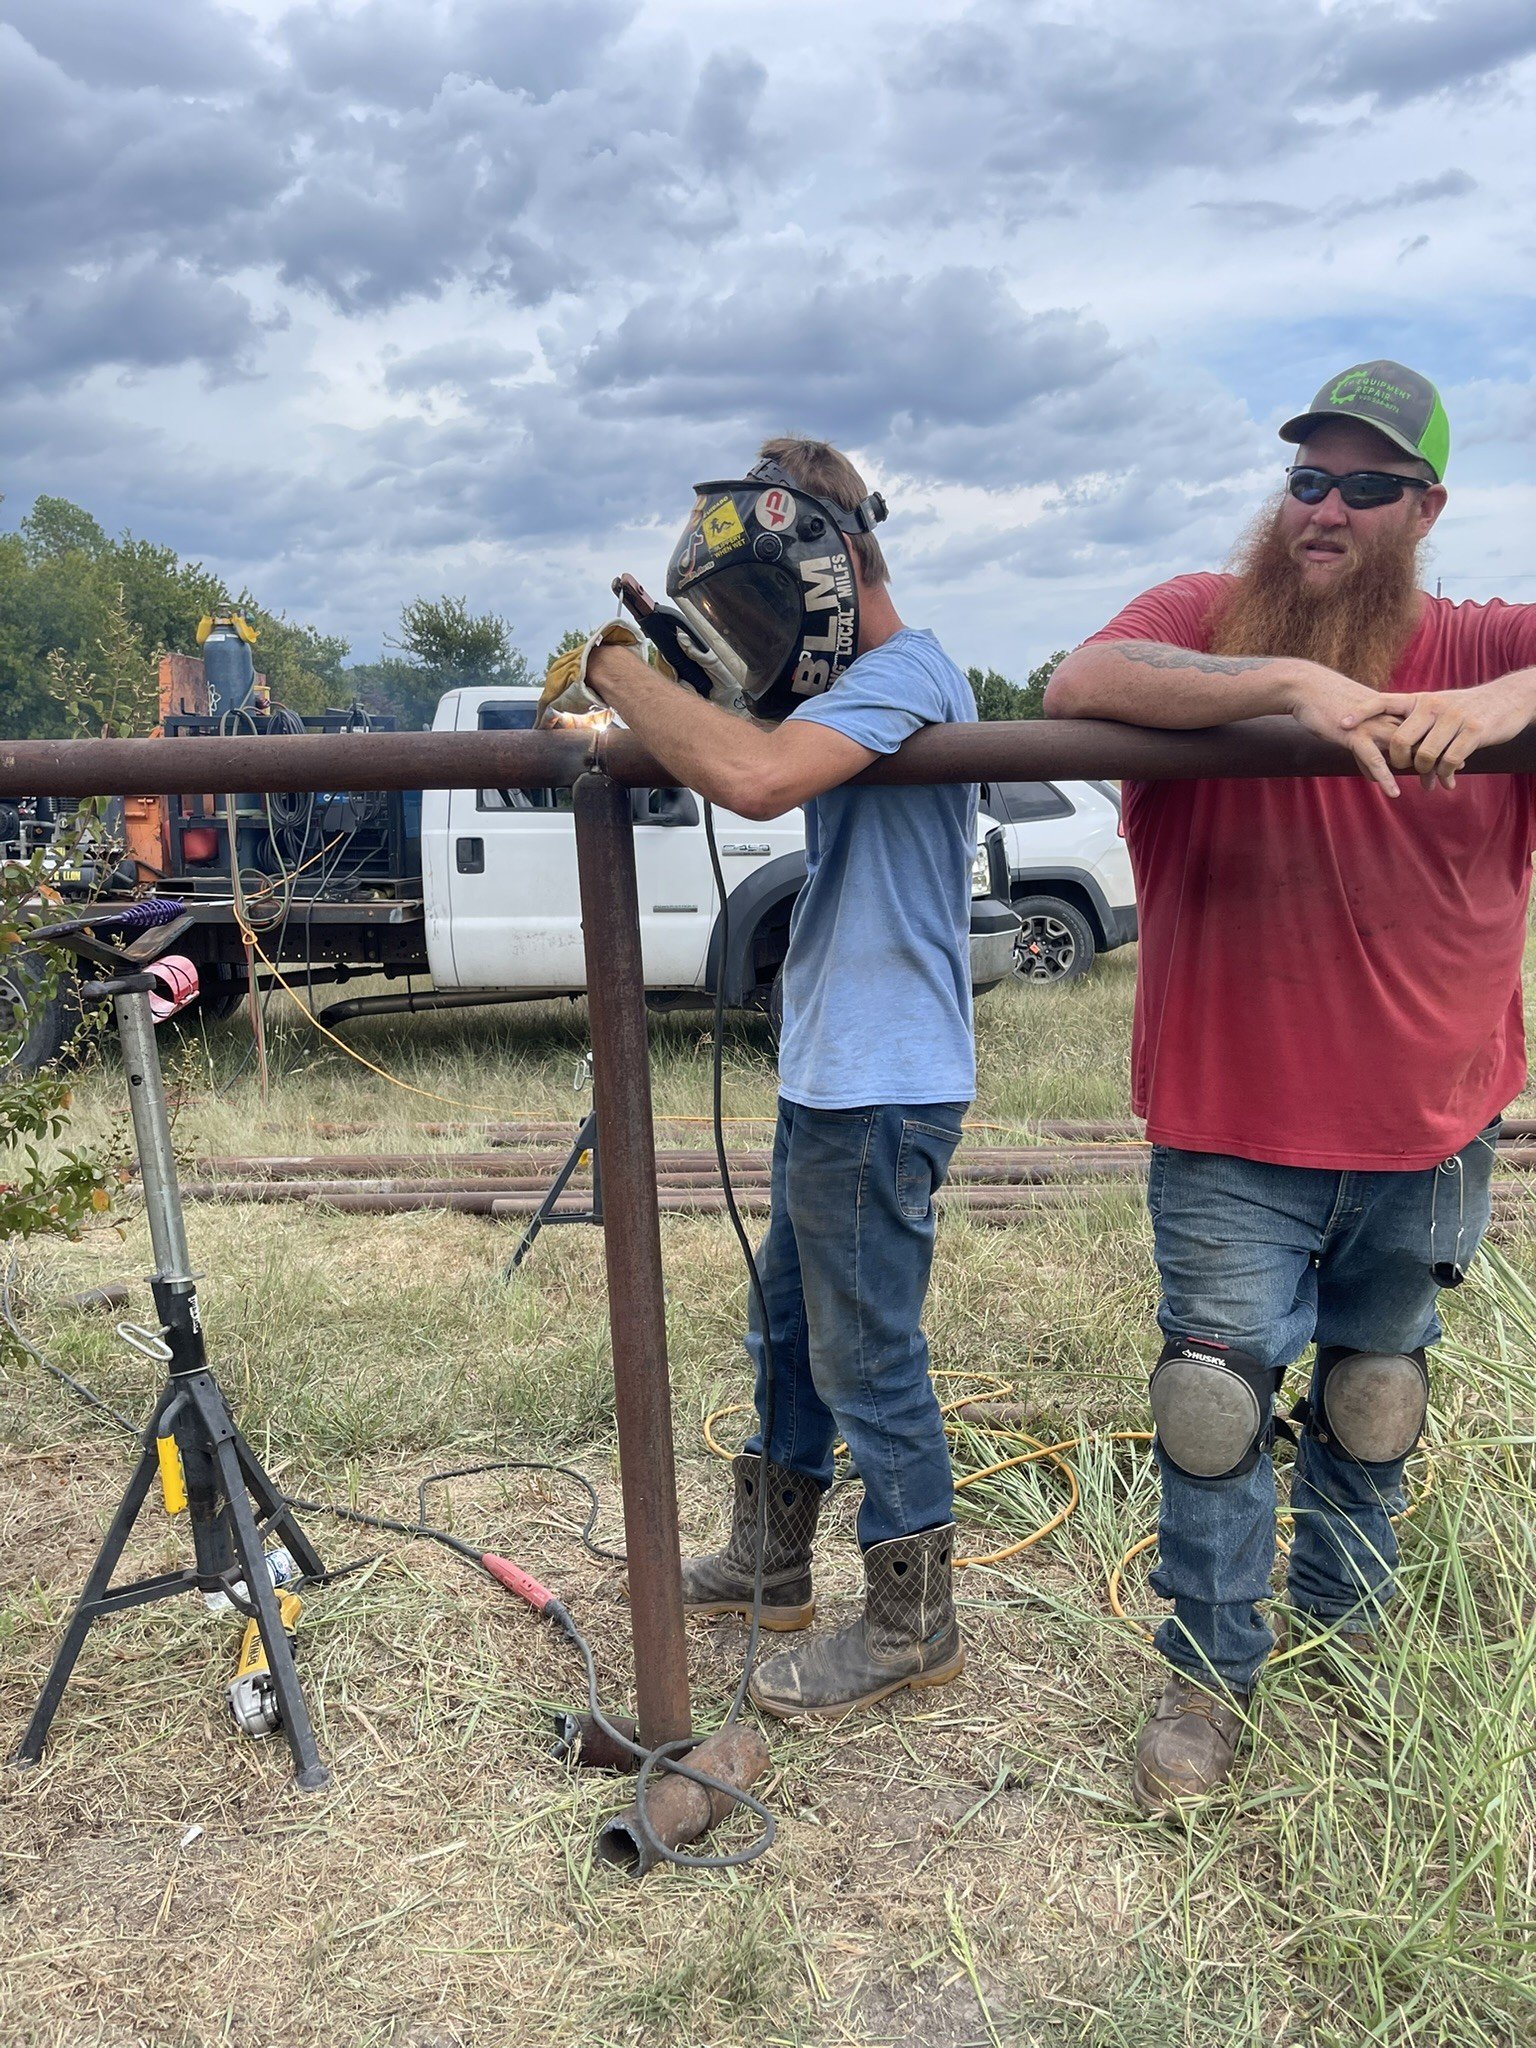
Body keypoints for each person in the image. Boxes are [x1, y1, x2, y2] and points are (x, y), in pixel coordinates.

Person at [1043, 360, 1536, 1813]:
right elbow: (1081, 680)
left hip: (1431, 1120)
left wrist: (1513, 694)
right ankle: (1207, 1673)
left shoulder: (1479, 642)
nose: (1324, 507)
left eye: (1365, 486)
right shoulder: (1207, 619)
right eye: (1308, 478)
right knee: (1213, 1405)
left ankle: (1348, 1621)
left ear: (1425, 507)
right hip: (1232, 1122)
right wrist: (1296, 687)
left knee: (1377, 1392)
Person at [539, 438, 979, 1717]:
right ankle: (772, 1559)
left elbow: (751, 775)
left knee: (865, 1351)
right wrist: (687, 676)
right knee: (788, 1326)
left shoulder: (910, 671)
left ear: (826, 570)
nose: (753, 642)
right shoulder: (861, 689)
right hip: (837, 1070)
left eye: (756, 609)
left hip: (882, 1078)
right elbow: (755, 736)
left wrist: (613, 672)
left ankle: (913, 1619)